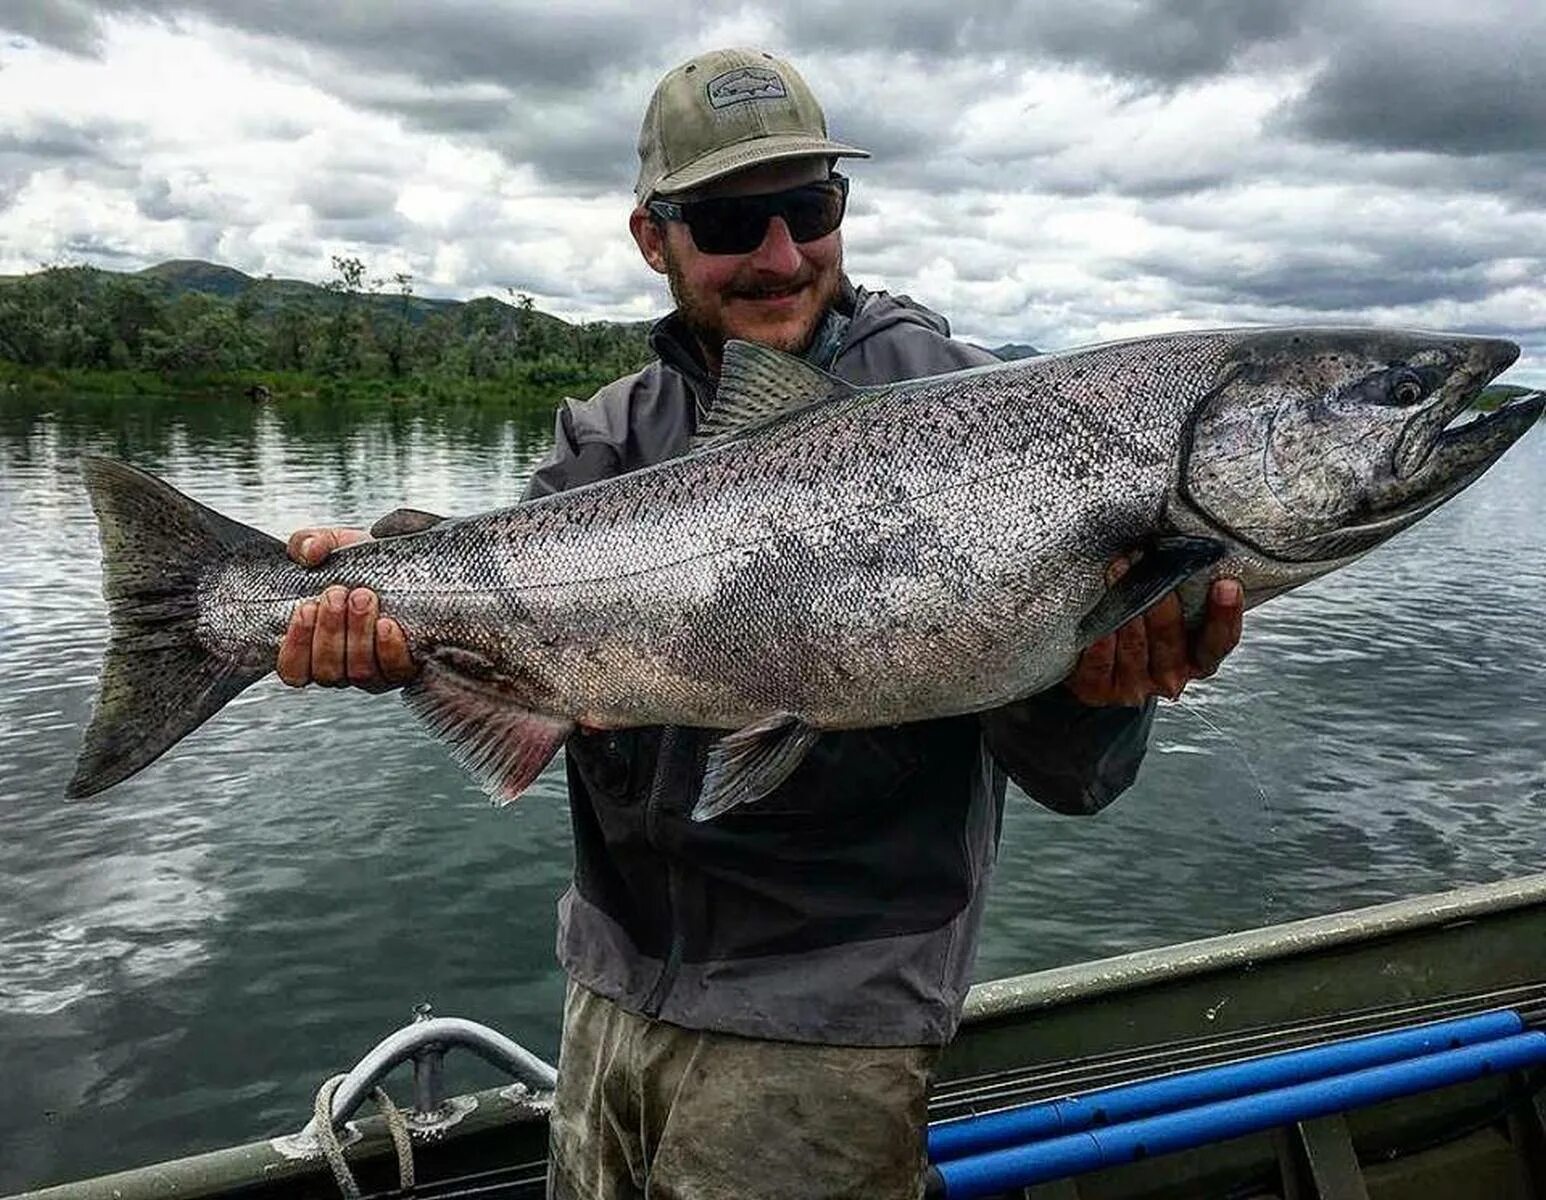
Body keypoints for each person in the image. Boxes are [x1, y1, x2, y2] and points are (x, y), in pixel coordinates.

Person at [278, 48, 1244, 1200]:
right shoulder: (604, 436)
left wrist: (1105, 693)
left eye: (809, 206)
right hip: (610, 981)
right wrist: (376, 625)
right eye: (736, 219)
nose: (782, 254)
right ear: (654, 237)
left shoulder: (978, 412)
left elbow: (1077, 779)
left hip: (832, 1016)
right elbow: (500, 663)